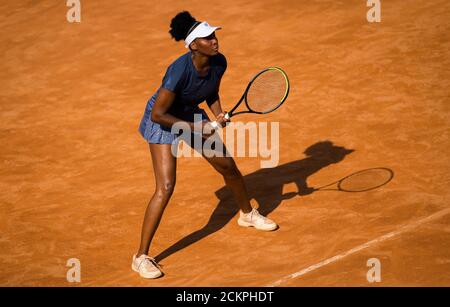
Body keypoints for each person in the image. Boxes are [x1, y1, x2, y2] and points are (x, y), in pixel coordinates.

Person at [132, 11, 278, 279]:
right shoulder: (178, 71)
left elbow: (210, 91)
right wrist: (198, 127)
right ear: (193, 46)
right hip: (162, 119)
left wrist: (218, 115)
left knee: (228, 167)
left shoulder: (219, 61)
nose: (214, 40)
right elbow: (159, 115)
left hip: (189, 113)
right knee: (165, 186)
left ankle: (247, 213)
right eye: (207, 38)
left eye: (214, 35)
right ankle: (141, 257)